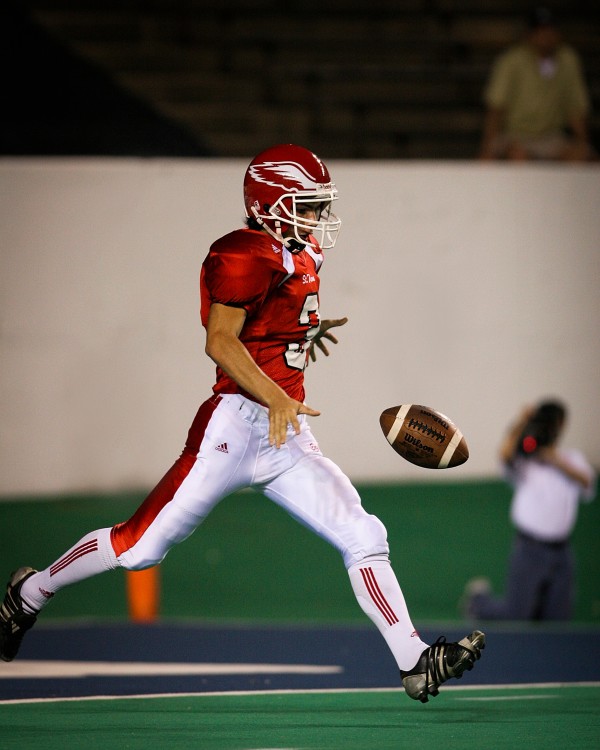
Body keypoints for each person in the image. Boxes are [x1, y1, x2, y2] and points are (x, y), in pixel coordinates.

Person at [0, 143, 484, 702]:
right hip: (232, 428)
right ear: (271, 203)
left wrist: (301, 332)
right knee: (139, 549)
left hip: (286, 435)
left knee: (363, 532)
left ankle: (414, 661)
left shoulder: (301, 254)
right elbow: (220, 341)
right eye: (306, 205)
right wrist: (277, 392)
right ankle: (29, 593)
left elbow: (267, 322)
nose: (317, 217)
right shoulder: (245, 253)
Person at [463, 399, 596, 621]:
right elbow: (505, 456)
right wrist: (522, 422)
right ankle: (478, 602)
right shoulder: (527, 462)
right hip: (529, 548)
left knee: (559, 618)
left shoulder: (572, 459)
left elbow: (586, 482)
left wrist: (554, 459)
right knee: (518, 614)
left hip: (562, 552)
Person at [479, 6, 593, 161]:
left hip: (552, 137)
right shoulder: (512, 61)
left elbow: (575, 108)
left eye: (550, 30)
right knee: (517, 156)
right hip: (516, 136)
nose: (546, 36)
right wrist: (487, 148)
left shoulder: (568, 59)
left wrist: (583, 143)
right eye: (540, 31)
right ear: (529, 34)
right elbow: (496, 108)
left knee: (581, 156)